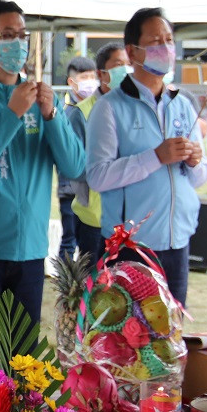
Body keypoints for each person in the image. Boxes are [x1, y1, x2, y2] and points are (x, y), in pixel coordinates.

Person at [0, 0, 85, 338]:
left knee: (23, 365)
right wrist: (12, 113)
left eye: (22, 35)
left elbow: (74, 165)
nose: (18, 43)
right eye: (7, 35)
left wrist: (51, 115)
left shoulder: (41, 100)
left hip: (30, 252)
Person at [86, 8, 207, 305]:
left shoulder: (182, 104)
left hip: (178, 242)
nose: (165, 48)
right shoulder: (110, 107)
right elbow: (98, 176)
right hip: (131, 247)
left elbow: (202, 175)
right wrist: (154, 157)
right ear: (133, 51)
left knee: (172, 338)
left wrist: (194, 161)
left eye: (169, 40)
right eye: (155, 41)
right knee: (132, 342)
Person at [68, 42, 131, 262]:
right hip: (95, 218)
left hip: (130, 216)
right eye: (119, 65)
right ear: (101, 74)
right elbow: (74, 167)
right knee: (95, 285)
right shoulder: (82, 112)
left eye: (128, 64)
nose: (125, 70)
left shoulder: (134, 109)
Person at [55, 56, 98, 261]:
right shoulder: (70, 111)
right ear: (72, 82)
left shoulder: (95, 108)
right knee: (69, 240)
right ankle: (68, 286)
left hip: (88, 191)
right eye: (84, 77)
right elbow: (72, 156)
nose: (90, 81)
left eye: (92, 76)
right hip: (71, 188)